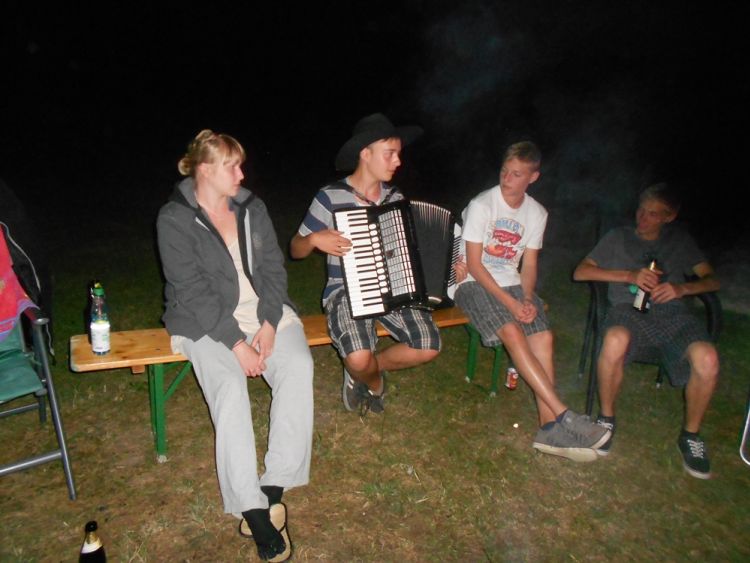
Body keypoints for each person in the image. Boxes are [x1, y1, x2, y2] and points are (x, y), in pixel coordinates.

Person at [157, 130, 313, 561]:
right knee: (229, 386)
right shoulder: (174, 220)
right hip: (203, 321)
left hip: (260, 310)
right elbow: (190, 290)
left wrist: (270, 321)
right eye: (232, 166)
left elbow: (273, 269)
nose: (242, 175)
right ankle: (252, 507)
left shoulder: (251, 208)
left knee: (298, 366)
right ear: (205, 169)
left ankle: (274, 484)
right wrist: (237, 344)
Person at [454, 141, 611, 462]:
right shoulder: (483, 205)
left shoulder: (537, 213)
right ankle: (564, 416)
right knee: (512, 332)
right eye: (504, 171)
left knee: (543, 336)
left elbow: (529, 265)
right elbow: (475, 265)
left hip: (512, 283)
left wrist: (526, 298)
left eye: (516, 174)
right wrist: (511, 305)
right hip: (472, 284)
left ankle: (547, 428)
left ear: (533, 177)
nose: (507, 179)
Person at [290, 112, 449, 414]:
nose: (398, 161)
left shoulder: (395, 197)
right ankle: (374, 383)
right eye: (390, 154)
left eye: (398, 154)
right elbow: (295, 249)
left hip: (394, 288)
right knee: (358, 357)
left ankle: (365, 371)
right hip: (345, 289)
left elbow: (408, 251)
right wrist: (312, 240)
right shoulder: (329, 197)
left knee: (428, 346)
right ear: (365, 154)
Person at [573, 182, 720, 479]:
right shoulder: (618, 238)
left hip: (673, 315)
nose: (643, 217)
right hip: (628, 312)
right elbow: (580, 271)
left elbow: (713, 279)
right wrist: (628, 275)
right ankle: (606, 419)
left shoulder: (679, 242)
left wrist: (682, 289)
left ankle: (690, 436)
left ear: (669, 216)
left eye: (653, 214)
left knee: (708, 358)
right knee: (614, 339)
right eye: (641, 209)